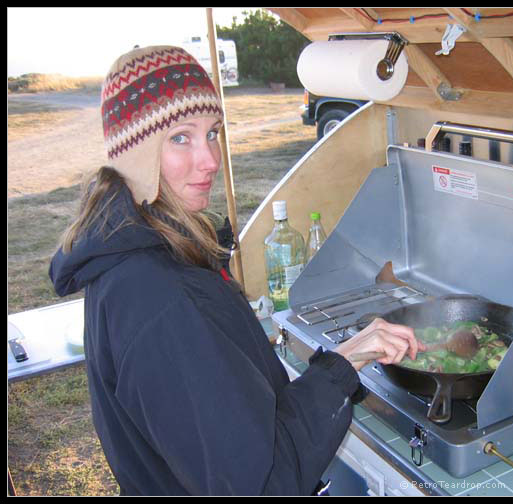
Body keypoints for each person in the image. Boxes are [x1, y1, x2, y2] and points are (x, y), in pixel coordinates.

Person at [49, 45, 423, 496]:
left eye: (212, 133)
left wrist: (346, 357)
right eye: (181, 138)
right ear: (136, 154)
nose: (211, 160)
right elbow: (263, 483)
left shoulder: (137, 247)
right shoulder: (160, 296)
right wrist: (339, 370)